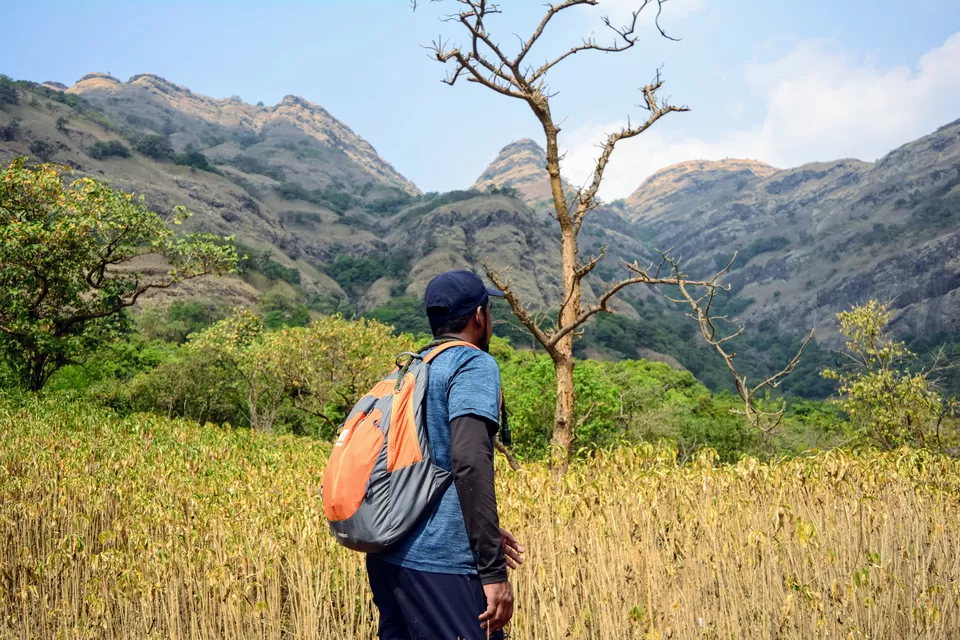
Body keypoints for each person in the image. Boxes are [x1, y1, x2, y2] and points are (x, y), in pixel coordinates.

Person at [366, 269, 525, 639]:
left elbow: (422, 467)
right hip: (442, 564)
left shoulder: (414, 366)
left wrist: (477, 527)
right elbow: (470, 463)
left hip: (391, 557)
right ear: (479, 317)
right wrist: (493, 571)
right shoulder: (472, 364)